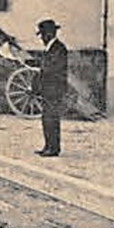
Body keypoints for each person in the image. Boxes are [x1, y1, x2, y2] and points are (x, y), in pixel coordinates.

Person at [34, 18, 69, 157]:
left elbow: (53, 68)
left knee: (51, 118)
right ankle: (48, 145)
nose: (42, 38)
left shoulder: (59, 48)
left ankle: (53, 148)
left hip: (54, 88)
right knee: (46, 118)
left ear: (49, 34)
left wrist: (41, 69)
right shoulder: (51, 49)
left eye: (43, 35)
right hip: (48, 89)